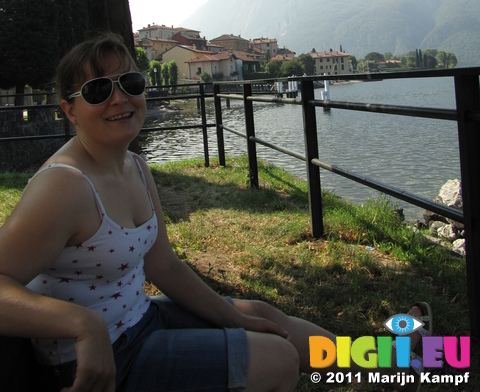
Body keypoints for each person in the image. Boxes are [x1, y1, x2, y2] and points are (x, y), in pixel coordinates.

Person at [0, 34, 429, 392]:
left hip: (140, 321)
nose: (120, 98)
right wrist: (81, 324)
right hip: (97, 362)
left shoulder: (134, 166)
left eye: (130, 82)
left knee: (260, 314)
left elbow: (163, 264)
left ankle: (396, 362)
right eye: (98, 90)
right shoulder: (63, 185)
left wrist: (231, 317)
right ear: (69, 110)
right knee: (277, 359)